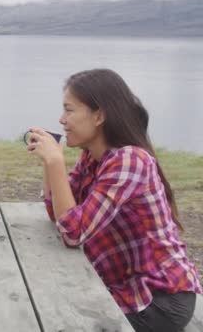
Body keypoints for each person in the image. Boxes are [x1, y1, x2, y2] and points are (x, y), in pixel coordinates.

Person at [26, 68, 201, 332]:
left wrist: (56, 160)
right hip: (124, 290)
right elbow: (59, 215)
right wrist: (50, 164)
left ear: (99, 115)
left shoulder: (129, 161)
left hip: (157, 300)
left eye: (69, 110)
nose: (62, 119)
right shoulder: (92, 157)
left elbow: (74, 233)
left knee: (48, 318)